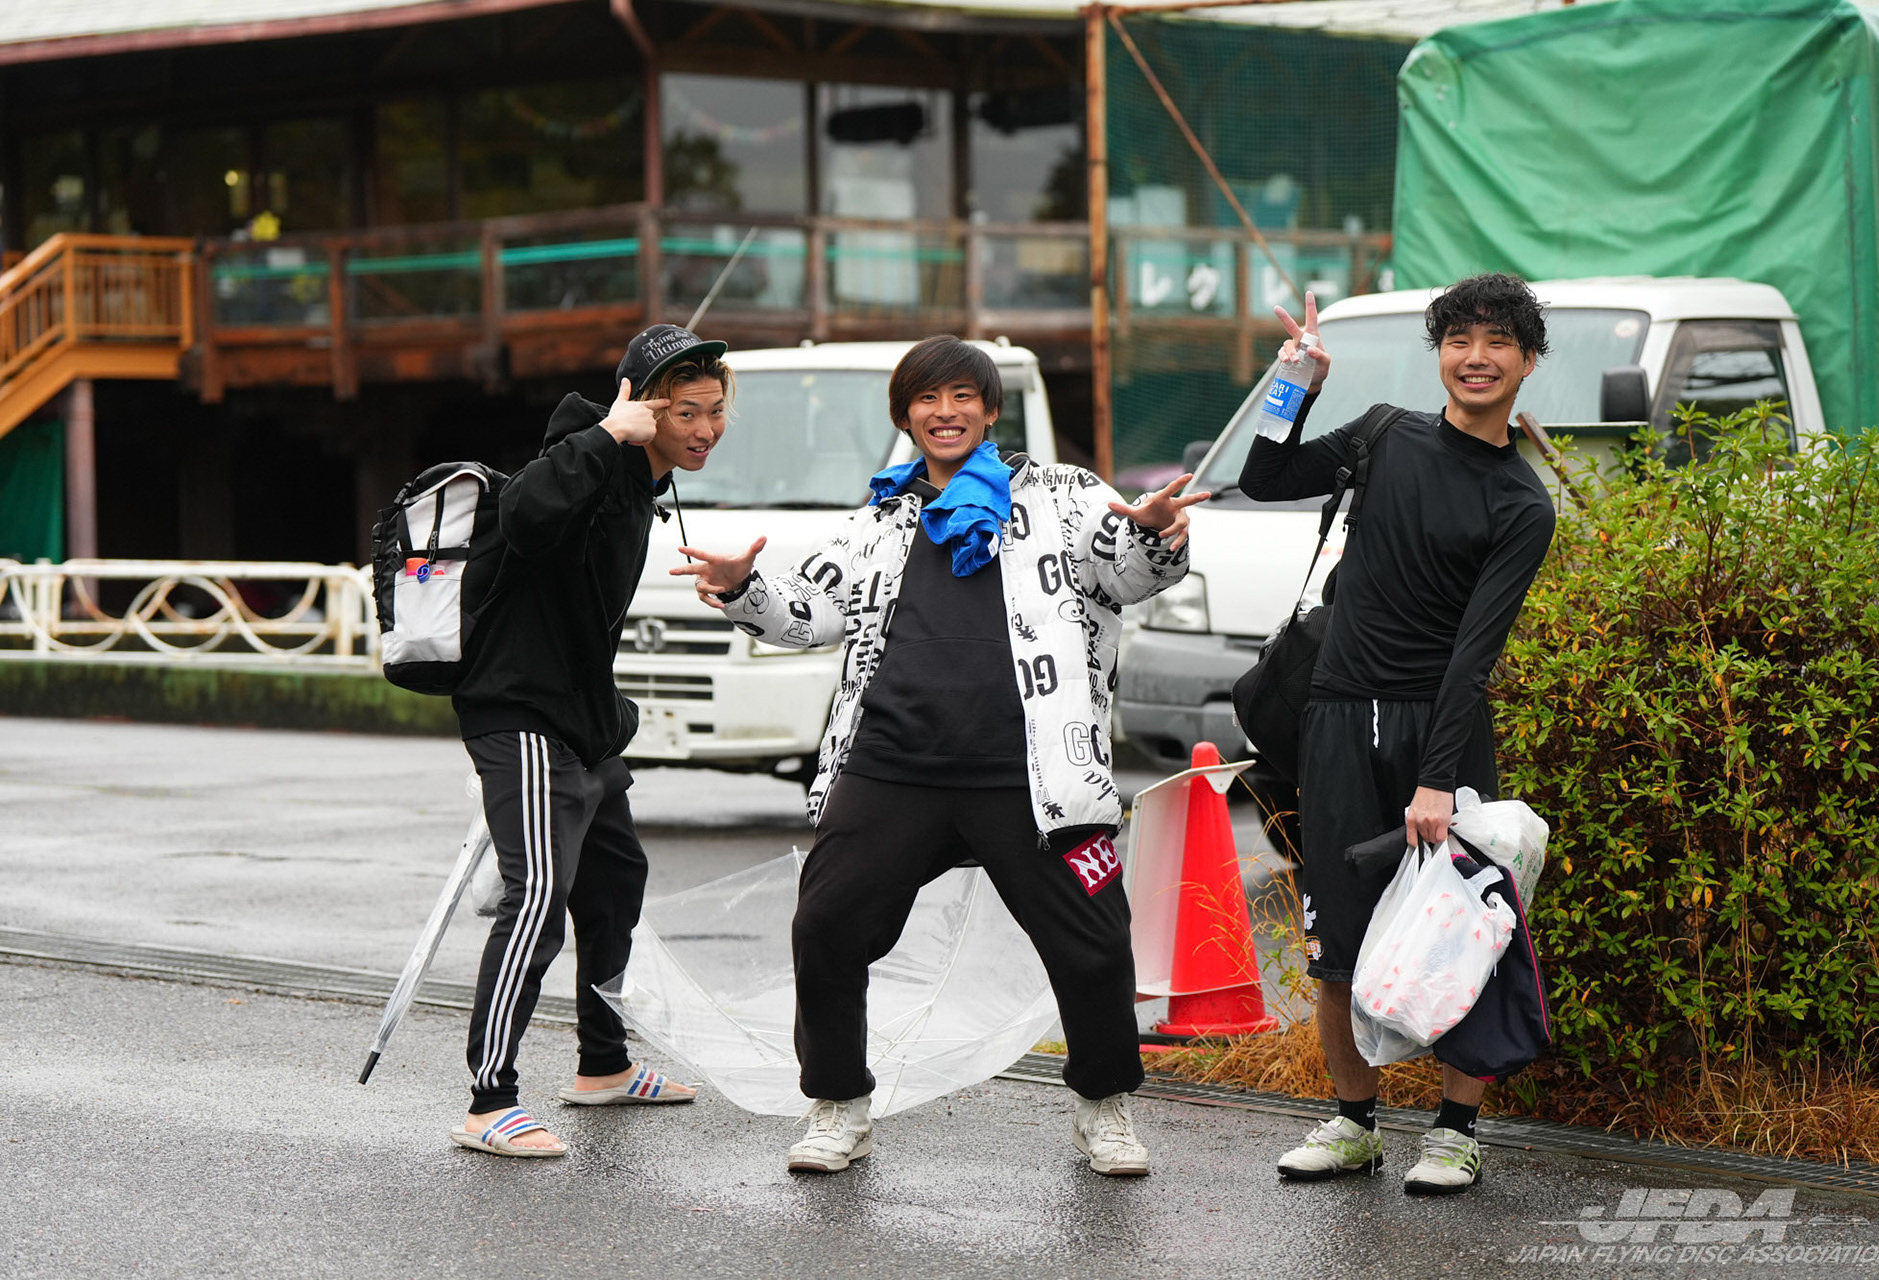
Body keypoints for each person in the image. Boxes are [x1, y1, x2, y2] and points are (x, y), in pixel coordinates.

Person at [674, 335, 1206, 1177]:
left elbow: (1128, 574)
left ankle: (1104, 1107)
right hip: (892, 764)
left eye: (962, 396)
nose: (945, 412)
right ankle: (838, 1105)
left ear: (991, 410)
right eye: (927, 399)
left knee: (1094, 942)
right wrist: (745, 588)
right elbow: (810, 615)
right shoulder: (881, 515)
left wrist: (1153, 535)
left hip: (1036, 772)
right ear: (906, 416)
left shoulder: (1065, 495)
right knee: (826, 928)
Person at [1242, 276, 1557, 1194]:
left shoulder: (1521, 504)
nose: (1476, 357)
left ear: (1528, 361)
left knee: (1466, 929)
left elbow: (1473, 657)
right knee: (1335, 940)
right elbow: (1265, 478)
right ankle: (1353, 1124)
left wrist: (1438, 777)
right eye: (1460, 339)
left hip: (1440, 733)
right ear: (1440, 353)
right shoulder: (1382, 434)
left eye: (1498, 342)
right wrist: (1292, 386)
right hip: (1337, 715)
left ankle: (1456, 1133)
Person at [449, 324, 729, 1157]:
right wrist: (609, 433)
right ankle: (490, 1101)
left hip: (583, 718)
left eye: (715, 410)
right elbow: (525, 514)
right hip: (520, 710)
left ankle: (603, 1066)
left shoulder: (641, 481)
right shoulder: (589, 458)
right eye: (686, 412)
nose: (706, 429)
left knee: (613, 883)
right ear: (644, 408)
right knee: (538, 894)